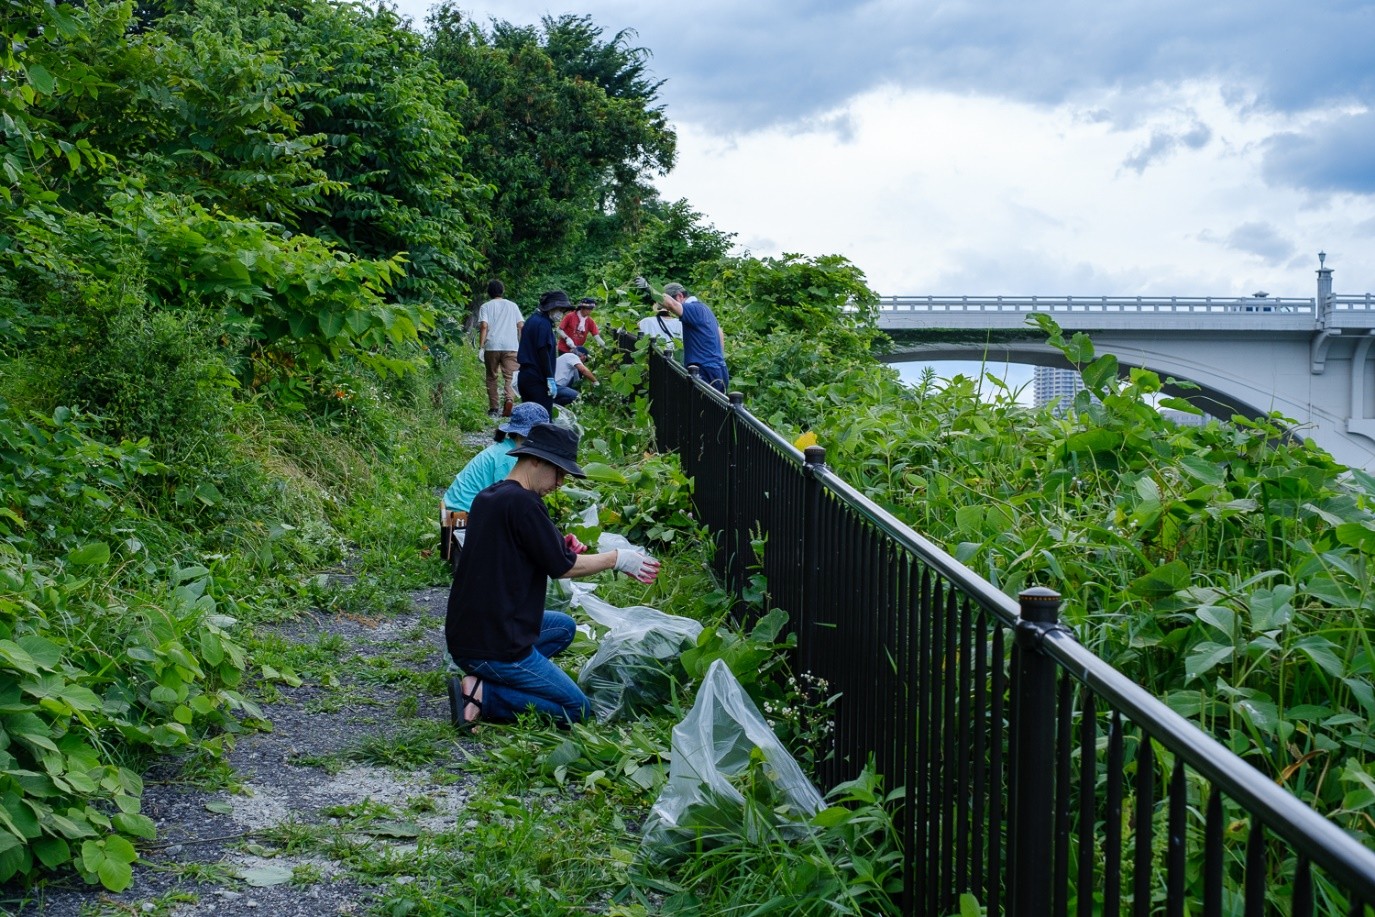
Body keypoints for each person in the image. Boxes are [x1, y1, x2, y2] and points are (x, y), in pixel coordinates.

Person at [445, 423, 661, 731]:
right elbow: (563, 567)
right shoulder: (525, 503)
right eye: (557, 472)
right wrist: (618, 559)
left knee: (563, 627)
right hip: (497, 644)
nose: (560, 482)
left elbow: (519, 548)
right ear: (535, 459)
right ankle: (484, 694)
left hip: (467, 633)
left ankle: (489, 675)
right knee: (577, 710)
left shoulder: (489, 497)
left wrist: (559, 543)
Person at [635, 277, 729, 392]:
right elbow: (720, 333)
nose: (669, 311)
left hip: (705, 371)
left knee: (700, 409)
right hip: (719, 369)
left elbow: (672, 305)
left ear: (680, 296)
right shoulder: (705, 309)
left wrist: (648, 287)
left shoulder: (692, 309)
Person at [476, 279, 524, 417]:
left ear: (489, 292)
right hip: (511, 346)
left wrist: (481, 347)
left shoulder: (485, 306)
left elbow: (484, 326)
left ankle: (493, 408)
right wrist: (520, 344)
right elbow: (521, 325)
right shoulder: (513, 306)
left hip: (492, 346)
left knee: (491, 376)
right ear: (502, 291)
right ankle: (509, 399)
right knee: (510, 376)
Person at [515, 290, 569, 413]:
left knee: (529, 418)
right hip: (537, 379)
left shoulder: (532, 320)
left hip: (525, 376)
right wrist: (549, 377)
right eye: (560, 310)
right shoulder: (543, 324)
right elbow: (542, 351)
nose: (561, 314)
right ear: (552, 307)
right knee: (542, 420)